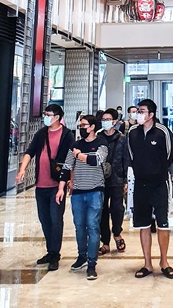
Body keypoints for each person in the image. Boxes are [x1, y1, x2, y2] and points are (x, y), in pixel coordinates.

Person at [16, 103, 74, 271]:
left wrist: (69, 182)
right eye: (45, 114)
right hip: (40, 185)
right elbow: (30, 151)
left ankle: (55, 254)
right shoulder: (41, 133)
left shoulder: (67, 135)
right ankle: (50, 251)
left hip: (57, 185)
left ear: (57, 117)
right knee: (44, 219)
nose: (46, 117)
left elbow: (70, 160)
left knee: (56, 220)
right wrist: (22, 170)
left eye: (49, 115)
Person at [127, 98, 173, 279]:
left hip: (159, 184)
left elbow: (171, 153)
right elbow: (131, 154)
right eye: (137, 111)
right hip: (140, 184)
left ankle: (164, 262)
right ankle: (147, 263)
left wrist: (158, 170)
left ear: (151, 115)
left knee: (163, 224)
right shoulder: (132, 132)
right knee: (143, 224)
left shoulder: (162, 131)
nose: (138, 114)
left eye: (141, 111)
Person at [56, 114, 107, 280]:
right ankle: (82, 256)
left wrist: (79, 155)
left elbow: (96, 160)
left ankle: (92, 263)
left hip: (95, 191)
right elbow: (67, 166)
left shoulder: (101, 143)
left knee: (92, 226)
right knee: (79, 226)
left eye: (84, 125)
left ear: (92, 127)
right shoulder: (75, 145)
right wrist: (61, 188)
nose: (81, 128)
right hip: (77, 191)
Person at [97, 109, 128, 255]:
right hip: (100, 180)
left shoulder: (122, 138)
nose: (105, 121)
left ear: (115, 121)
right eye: (103, 119)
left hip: (117, 178)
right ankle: (105, 241)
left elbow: (126, 160)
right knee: (102, 210)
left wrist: (127, 179)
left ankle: (117, 233)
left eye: (108, 119)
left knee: (117, 209)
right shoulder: (98, 137)